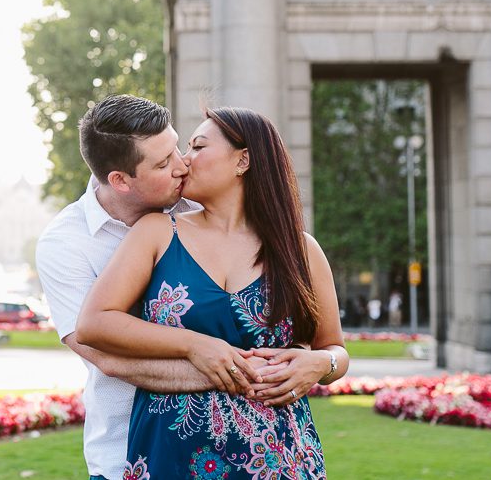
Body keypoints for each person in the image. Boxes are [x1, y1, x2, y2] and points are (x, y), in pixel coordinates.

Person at [75, 106, 349, 479]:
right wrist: (193, 344)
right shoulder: (157, 231)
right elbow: (94, 324)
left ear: (243, 160)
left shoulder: (301, 250)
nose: (184, 162)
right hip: (170, 456)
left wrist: (321, 363)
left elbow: (334, 349)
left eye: (197, 147)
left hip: (277, 457)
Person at [36, 95, 284, 480]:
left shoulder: (196, 208)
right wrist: (237, 371)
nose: (182, 165)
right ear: (120, 180)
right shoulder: (65, 244)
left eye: (178, 147)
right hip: (126, 453)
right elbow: (106, 358)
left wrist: (319, 360)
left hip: (239, 447)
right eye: (163, 163)